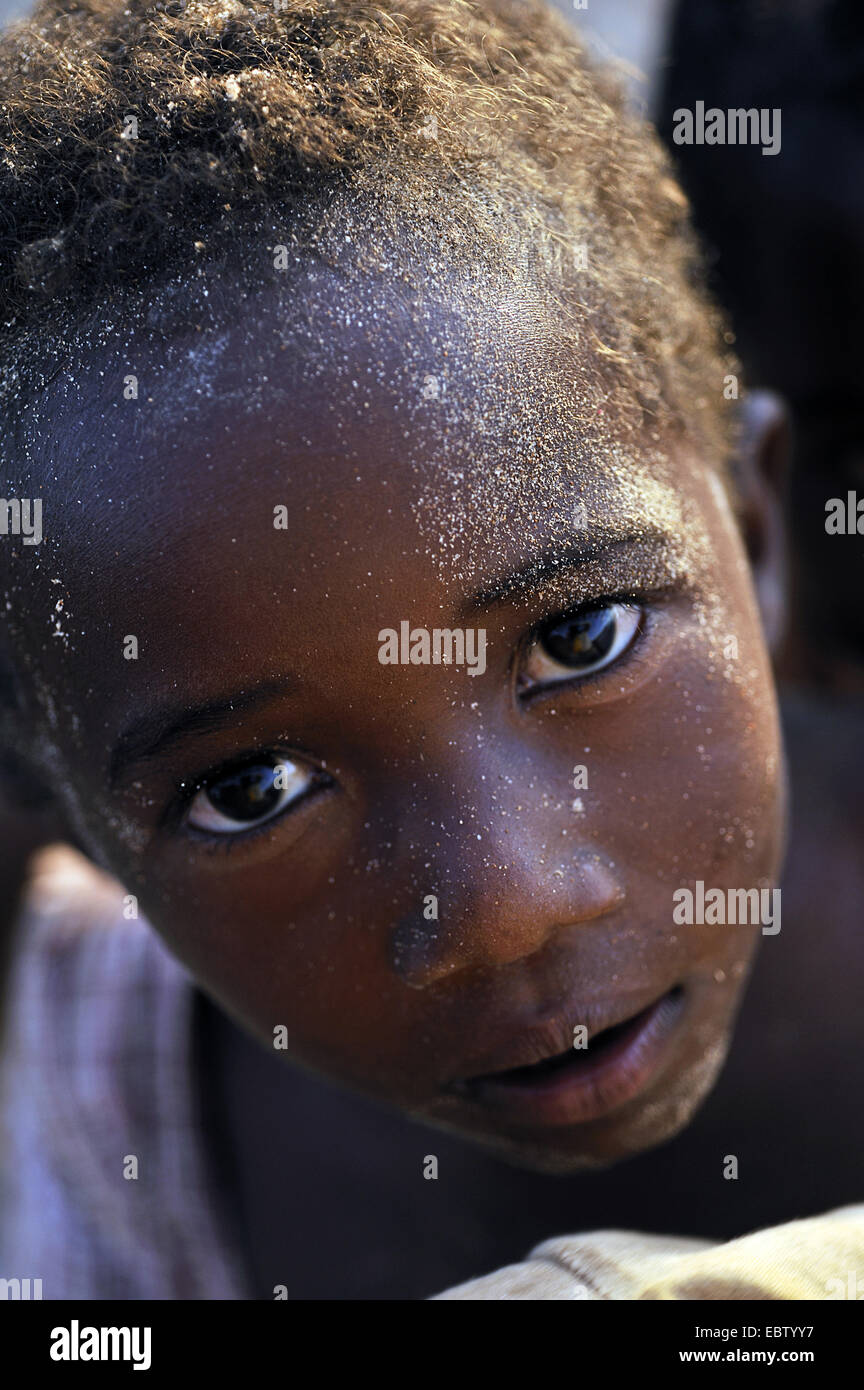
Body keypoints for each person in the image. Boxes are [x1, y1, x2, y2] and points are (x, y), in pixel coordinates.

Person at [0, 0, 799, 1297]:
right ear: (62, 801)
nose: (504, 907)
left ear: (757, 536)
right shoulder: (87, 1111)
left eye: (579, 637)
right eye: (252, 786)